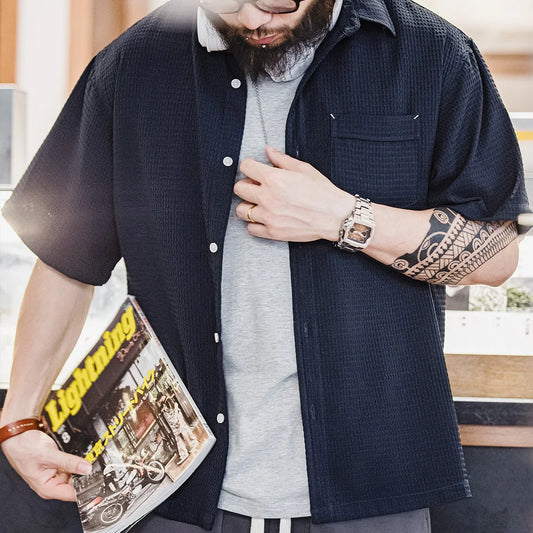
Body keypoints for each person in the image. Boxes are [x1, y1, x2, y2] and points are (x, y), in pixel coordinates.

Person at [0, 0, 530, 532]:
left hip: (371, 489)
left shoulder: (432, 54)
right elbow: (66, 259)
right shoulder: (132, 65)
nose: (254, 21)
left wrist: (343, 217)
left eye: (278, 3)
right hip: (170, 493)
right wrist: (18, 419)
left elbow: (497, 254)